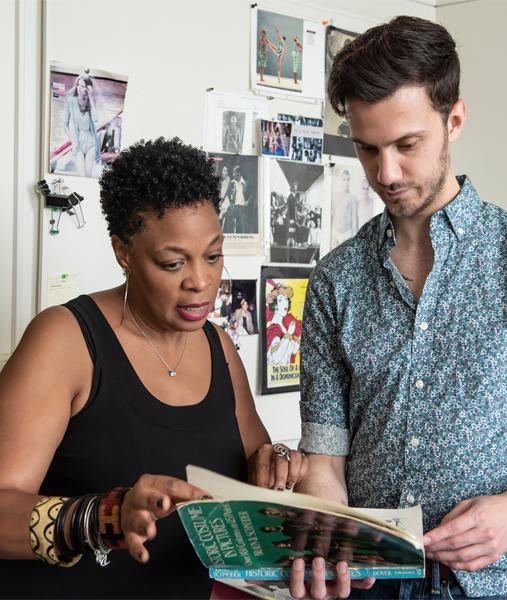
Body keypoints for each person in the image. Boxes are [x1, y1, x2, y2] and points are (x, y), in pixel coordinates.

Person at [293, 15, 507, 600]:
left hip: (489, 583)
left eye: (407, 145)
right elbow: (325, 459)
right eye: (367, 148)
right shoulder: (335, 280)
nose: (386, 173)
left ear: (454, 119)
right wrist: (327, 535)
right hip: (367, 582)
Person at [0, 137, 308, 598]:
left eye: (212, 255)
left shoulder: (220, 347)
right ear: (123, 252)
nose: (201, 282)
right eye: (172, 262)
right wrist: (107, 517)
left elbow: (255, 473)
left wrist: (277, 466)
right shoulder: (65, 341)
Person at [63, 71, 101, 178]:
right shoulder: (71, 101)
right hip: (77, 143)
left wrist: (91, 97)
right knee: (82, 176)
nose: (79, 88)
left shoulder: (91, 103)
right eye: (78, 85)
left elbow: (95, 119)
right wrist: (73, 142)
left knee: (88, 177)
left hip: (90, 144)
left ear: (88, 89)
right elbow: (64, 125)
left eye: (83, 86)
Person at [331, 169, 359, 249]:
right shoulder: (336, 196)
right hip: (335, 232)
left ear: (350, 181)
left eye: (348, 179)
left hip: (347, 234)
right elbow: (332, 214)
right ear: (341, 181)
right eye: (344, 179)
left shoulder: (352, 198)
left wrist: (354, 238)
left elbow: (354, 219)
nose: (346, 182)